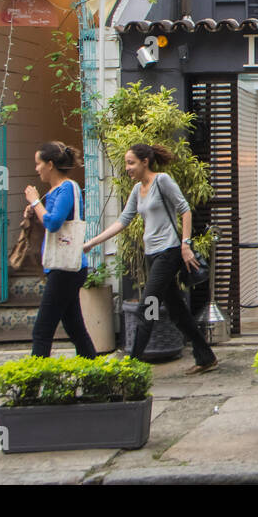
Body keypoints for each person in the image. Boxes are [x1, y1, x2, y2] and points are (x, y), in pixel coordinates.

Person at [83, 143, 218, 374]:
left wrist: (185, 245)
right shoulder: (138, 189)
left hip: (169, 252)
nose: (127, 168)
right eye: (126, 163)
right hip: (152, 255)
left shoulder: (161, 180)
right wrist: (92, 242)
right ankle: (205, 356)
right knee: (176, 309)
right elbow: (123, 221)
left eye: (131, 162)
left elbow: (184, 209)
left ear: (145, 162)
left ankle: (132, 365)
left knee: (148, 305)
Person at [26, 142, 97, 359]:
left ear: (50, 164)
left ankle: (33, 386)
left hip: (67, 269)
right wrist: (35, 209)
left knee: (42, 330)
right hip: (62, 266)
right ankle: (94, 375)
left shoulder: (67, 187)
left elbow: (54, 222)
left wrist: (35, 201)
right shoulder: (55, 190)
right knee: (75, 329)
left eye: (38, 164)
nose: (36, 169)